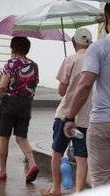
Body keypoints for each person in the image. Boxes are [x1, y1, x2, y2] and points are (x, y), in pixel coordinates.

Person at [40, 28, 92, 196]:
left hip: (65, 115)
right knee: (81, 157)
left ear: (73, 43)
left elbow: (62, 91)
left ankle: (56, 189)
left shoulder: (69, 60)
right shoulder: (95, 60)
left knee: (57, 152)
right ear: (90, 43)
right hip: (86, 118)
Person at [64, 3, 110, 188]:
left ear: (106, 19)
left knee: (101, 181)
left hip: (102, 122)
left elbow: (85, 84)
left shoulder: (99, 47)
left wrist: (70, 117)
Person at [0, 36, 39, 183]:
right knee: (21, 137)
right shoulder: (34, 65)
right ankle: (32, 163)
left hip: (10, 102)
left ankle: (2, 171)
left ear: (14, 49)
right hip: (26, 103)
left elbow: (3, 86)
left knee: (4, 137)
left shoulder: (11, 63)